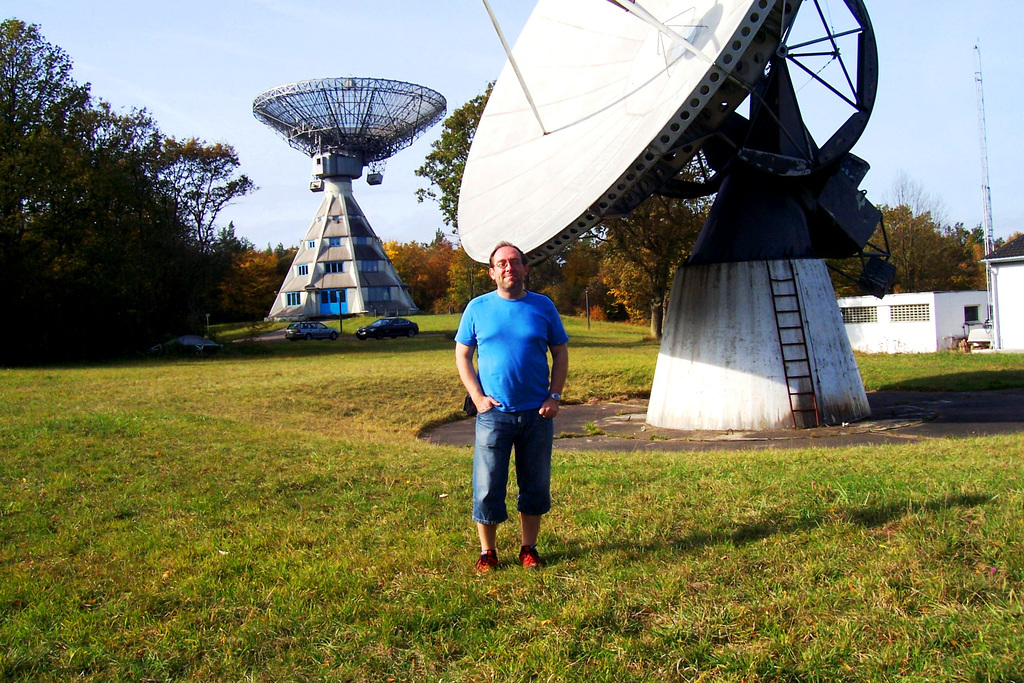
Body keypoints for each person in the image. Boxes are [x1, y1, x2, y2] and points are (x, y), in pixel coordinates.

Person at [455, 242, 569, 573]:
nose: (509, 267)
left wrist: (554, 396)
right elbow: (462, 355)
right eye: (502, 263)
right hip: (494, 415)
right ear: (492, 272)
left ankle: (528, 548)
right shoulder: (477, 308)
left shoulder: (543, 306)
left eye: (514, 262)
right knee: (488, 484)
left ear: (525, 269)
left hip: (537, 414)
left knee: (534, 483)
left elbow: (560, 353)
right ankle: (488, 552)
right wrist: (477, 397)